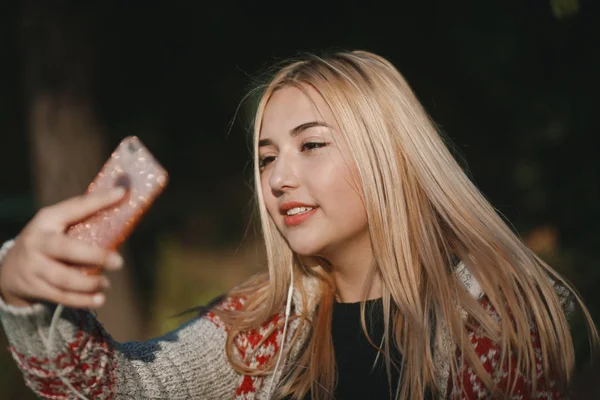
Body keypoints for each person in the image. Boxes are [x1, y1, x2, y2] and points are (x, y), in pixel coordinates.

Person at [0, 50, 596, 400]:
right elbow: (123, 388)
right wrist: (21, 291)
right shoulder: (261, 324)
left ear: (389, 154)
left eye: (310, 145)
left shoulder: (500, 315)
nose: (279, 178)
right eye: (266, 157)